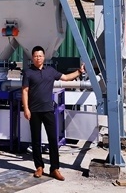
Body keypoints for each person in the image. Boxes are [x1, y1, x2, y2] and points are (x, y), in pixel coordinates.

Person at [21, 45, 85, 181]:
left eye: (40, 56)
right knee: (36, 140)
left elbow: (66, 78)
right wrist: (26, 108)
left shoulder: (50, 71)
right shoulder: (28, 72)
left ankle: (54, 169)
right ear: (32, 58)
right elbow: (25, 91)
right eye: (36, 56)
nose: (38, 58)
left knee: (53, 139)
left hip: (48, 110)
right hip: (34, 111)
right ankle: (39, 167)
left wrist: (79, 71)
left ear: (44, 57)